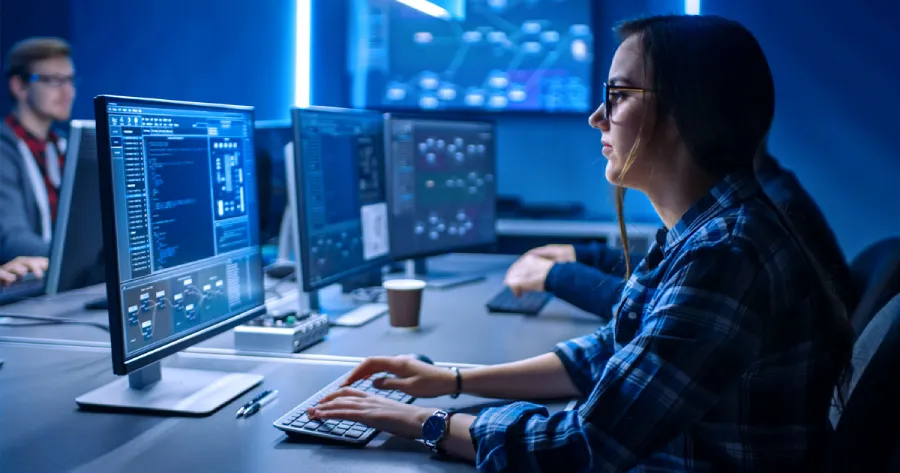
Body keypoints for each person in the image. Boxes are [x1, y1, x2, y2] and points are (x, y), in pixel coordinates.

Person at [304, 14, 855, 472]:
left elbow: (581, 446)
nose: (597, 118)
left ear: (688, 108)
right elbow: (608, 355)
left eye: (617, 96)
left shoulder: (727, 254)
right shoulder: (702, 232)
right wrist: (451, 379)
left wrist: (418, 423)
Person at [504, 139, 859, 321]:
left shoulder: (741, 232)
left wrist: (557, 277)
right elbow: (671, 275)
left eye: (621, 96)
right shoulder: (761, 191)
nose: (599, 118)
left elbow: (666, 306)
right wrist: (585, 255)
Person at [0, 37, 76, 264]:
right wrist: (75, 260)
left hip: (63, 280)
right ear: (19, 86)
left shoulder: (65, 147)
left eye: (70, 80)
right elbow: (12, 240)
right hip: (28, 286)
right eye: (54, 81)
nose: (68, 92)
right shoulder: (5, 149)